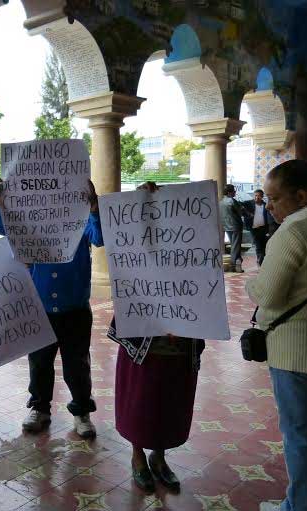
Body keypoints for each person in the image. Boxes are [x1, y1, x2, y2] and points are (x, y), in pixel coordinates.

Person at [108, 180, 204, 493]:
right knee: (142, 401)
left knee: (169, 402)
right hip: (143, 342)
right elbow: (125, 232)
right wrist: (141, 200)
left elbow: (204, 287)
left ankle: (159, 459)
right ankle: (138, 458)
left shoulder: (195, 248)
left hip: (181, 343)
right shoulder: (138, 249)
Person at [0, 179, 103, 438]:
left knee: (77, 364)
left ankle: (81, 412)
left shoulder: (81, 218)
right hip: (39, 307)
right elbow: (4, 227)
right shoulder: (32, 221)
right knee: (39, 363)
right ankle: (40, 409)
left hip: (74, 307)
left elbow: (100, 238)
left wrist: (95, 207)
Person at [248, 161, 307, 511]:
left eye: (275, 198)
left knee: (300, 434)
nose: (269, 206)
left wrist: (250, 283)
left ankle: (299, 506)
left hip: (295, 355)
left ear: (301, 196)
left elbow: (269, 294)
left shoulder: (293, 231)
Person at [243, 189, 276, 266]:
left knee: (264, 245)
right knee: (258, 245)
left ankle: (262, 260)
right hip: (254, 229)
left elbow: (269, 216)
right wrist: (247, 214)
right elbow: (239, 205)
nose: (257, 197)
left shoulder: (265, 205)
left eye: (259, 196)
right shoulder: (248, 204)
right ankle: (260, 261)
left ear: (262, 197)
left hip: (264, 228)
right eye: (255, 195)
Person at [220, 184, 246, 273]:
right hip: (235, 226)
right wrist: (242, 208)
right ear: (229, 192)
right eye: (233, 191)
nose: (235, 192)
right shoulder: (232, 201)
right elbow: (240, 212)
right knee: (235, 246)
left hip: (227, 227)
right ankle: (233, 265)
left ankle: (238, 264)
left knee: (234, 245)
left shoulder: (221, 202)